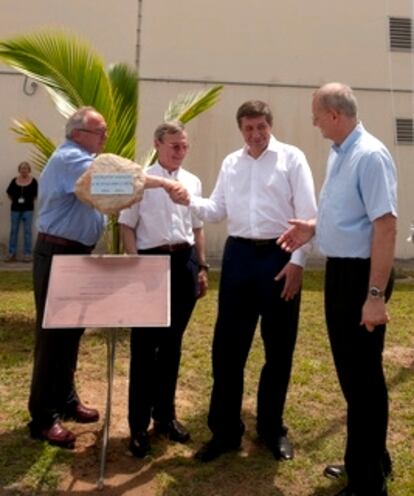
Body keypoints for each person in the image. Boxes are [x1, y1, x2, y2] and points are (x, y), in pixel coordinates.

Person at [28, 107, 189, 449]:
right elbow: (113, 181)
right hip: (57, 253)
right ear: (78, 133)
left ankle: (65, 399)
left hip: (75, 254)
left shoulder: (80, 156)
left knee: (71, 332)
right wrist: (162, 182)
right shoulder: (72, 157)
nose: (105, 137)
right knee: (53, 336)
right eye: (100, 132)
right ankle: (42, 416)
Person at [278, 82, 397, 496]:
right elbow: (353, 217)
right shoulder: (340, 152)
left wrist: (375, 295)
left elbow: (385, 226)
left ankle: (366, 481)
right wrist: (314, 227)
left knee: (363, 379)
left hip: (362, 279)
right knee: (354, 377)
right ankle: (369, 460)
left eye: (315, 114)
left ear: (333, 115)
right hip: (340, 274)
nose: (312, 121)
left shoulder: (369, 156)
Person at [187, 100, 317, 462]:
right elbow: (216, 209)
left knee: (278, 350)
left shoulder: (292, 159)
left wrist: (297, 263)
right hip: (239, 258)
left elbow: (307, 216)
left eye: (261, 126)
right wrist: (186, 199)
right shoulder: (231, 162)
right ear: (240, 129)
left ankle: (271, 429)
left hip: (280, 255)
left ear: (270, 125)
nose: (255, 134)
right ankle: (225, 432)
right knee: (227, 349)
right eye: (248, 128)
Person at [119, 121, 208, 458]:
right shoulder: (141, 180)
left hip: (183, 263)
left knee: (172, 346)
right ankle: (138, 425)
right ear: (157, 144)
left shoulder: (193, 181)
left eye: (184, 146)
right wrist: (134, 264)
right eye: (174, 146)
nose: (180, 152)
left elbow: (197, 226)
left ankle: (165, 417)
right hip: (150, 265)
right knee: (144, 348)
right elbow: (126, 226)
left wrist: (201, 267)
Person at [5, 161, 38, 262]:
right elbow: (9, 193)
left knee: (27, 232)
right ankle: (11, 254)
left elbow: (35, 195)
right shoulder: (14, 180)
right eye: (22, 168)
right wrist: (16, 201)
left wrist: (26, 202)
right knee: (13, 231)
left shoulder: (33, 181)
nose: (24, 170)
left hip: (28, 210)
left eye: (26, 168)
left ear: (29, 170)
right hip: (15, 209)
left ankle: (27, 255)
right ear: (19, 170)